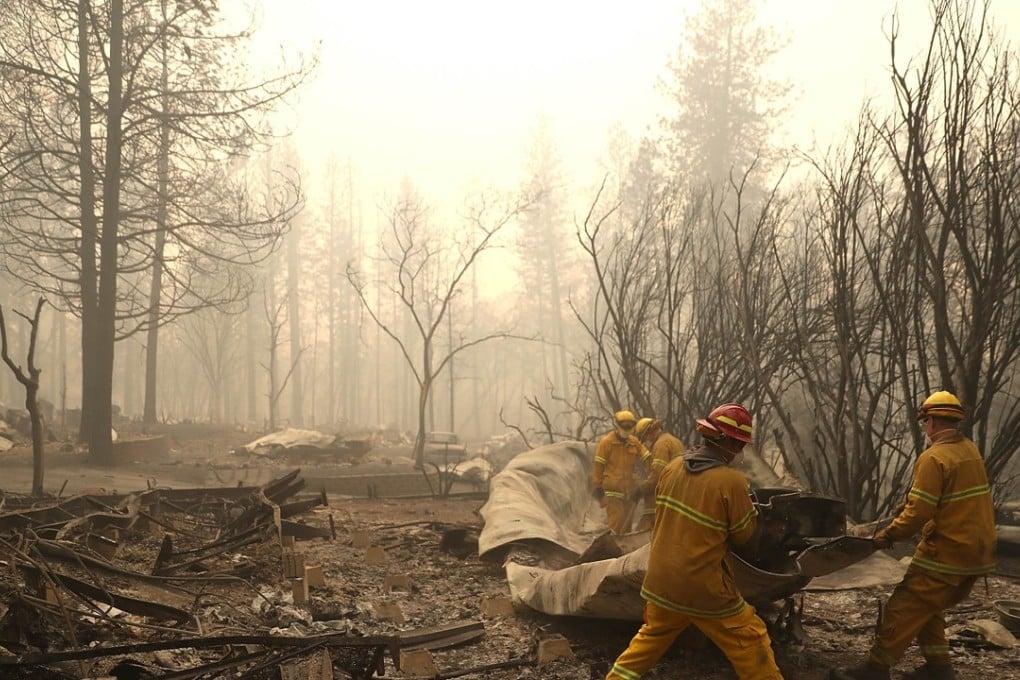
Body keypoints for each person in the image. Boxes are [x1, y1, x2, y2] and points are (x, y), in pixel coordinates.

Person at [606, 403, 784, 680]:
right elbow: (746, 540)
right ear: (727, 442)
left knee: (647, 643)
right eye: (738, 445)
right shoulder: (732, 482)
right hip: (704, 588)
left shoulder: (673, 467)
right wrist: (760, 522)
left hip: (660, 584)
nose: (739, 452)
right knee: (751, 638)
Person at [830, 390, 997, 680]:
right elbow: (936, 499)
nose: (924, 428)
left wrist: (885, 536)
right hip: (977, 552)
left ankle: (874, 669)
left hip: (947, 553)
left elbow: (918, 513)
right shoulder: (969, 450)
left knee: (904, 605)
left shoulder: (934, 457)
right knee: (928, 606)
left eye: (925, 422)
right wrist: (905, 508)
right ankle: (939, 669)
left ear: (931, 421)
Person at [592, 410, 650, 534]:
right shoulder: (606, 443)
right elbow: (598, 466)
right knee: (617, 524)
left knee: (627, 526)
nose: (627, 430)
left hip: (630, 491)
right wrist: (599, 490)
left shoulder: (634, 442)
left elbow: (647, 457)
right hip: (613, 492)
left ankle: (624, 548)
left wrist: (655, 469)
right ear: (616, 426)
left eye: (630, 426)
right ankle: (615, 548)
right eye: (624, 426)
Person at [633, 417, 686, 532]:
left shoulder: (661, 445)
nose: (647, 441)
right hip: (678, 493)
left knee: (647, 526)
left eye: (645, 437)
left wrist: (641, 489)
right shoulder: (675, 441)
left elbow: (657, 475)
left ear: (649, 432)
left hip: (666, 494)